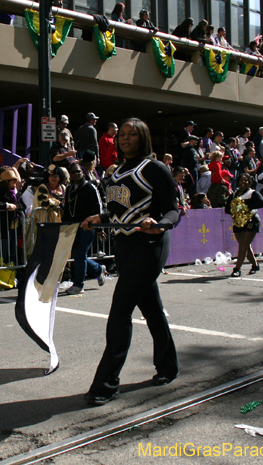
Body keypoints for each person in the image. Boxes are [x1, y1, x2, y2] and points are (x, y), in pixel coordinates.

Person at [80, 118, 180, 405]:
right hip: (125, 246)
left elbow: (173, 211)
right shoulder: (118, 171)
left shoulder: (155, 168)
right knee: (151, 309)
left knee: (120, 310)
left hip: (150, 245)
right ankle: (168, 366)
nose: (124, 138)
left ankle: (106, 383)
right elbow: (118, 212)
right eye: (121, 134)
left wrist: (159, 224)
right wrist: (98, 219)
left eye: (131, 135)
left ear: (143, 138)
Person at [63, 161, 106, 295]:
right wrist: (64, 225)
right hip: (72, 227)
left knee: (80, 254)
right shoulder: (69, 189)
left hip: (87, 226)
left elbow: (98, 208)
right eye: (73, 172)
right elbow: (67, 208)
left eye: (78, 172)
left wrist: (99, 228)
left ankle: (78, 285)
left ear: (83, 173)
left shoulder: (90, 187)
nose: (76, 174)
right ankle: (98, 269)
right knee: (77, 255)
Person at [226, 173, 263, 276]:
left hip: (251, 222)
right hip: (238, 222)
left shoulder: (253, 193)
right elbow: (227, 209)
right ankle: (255, 265)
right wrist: (236, 211)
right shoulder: (234, 195)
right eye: (241, 180)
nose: (243, 182)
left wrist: (245, 206)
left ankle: (237, 269)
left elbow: (262, 203)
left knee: (243, 246)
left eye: (246, 180)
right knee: (245, 246)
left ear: (250, 182)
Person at [0, 167, 25, 264]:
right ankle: (0, 272)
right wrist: (6, 205)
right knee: (2, 252)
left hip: (15, 227)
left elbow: (22, 205)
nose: (15, 183)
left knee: (13, 251)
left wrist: (15, 206)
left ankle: (11, 273)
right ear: (7, 181)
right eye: (13, 181)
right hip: (2, 227)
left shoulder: (16, 192)